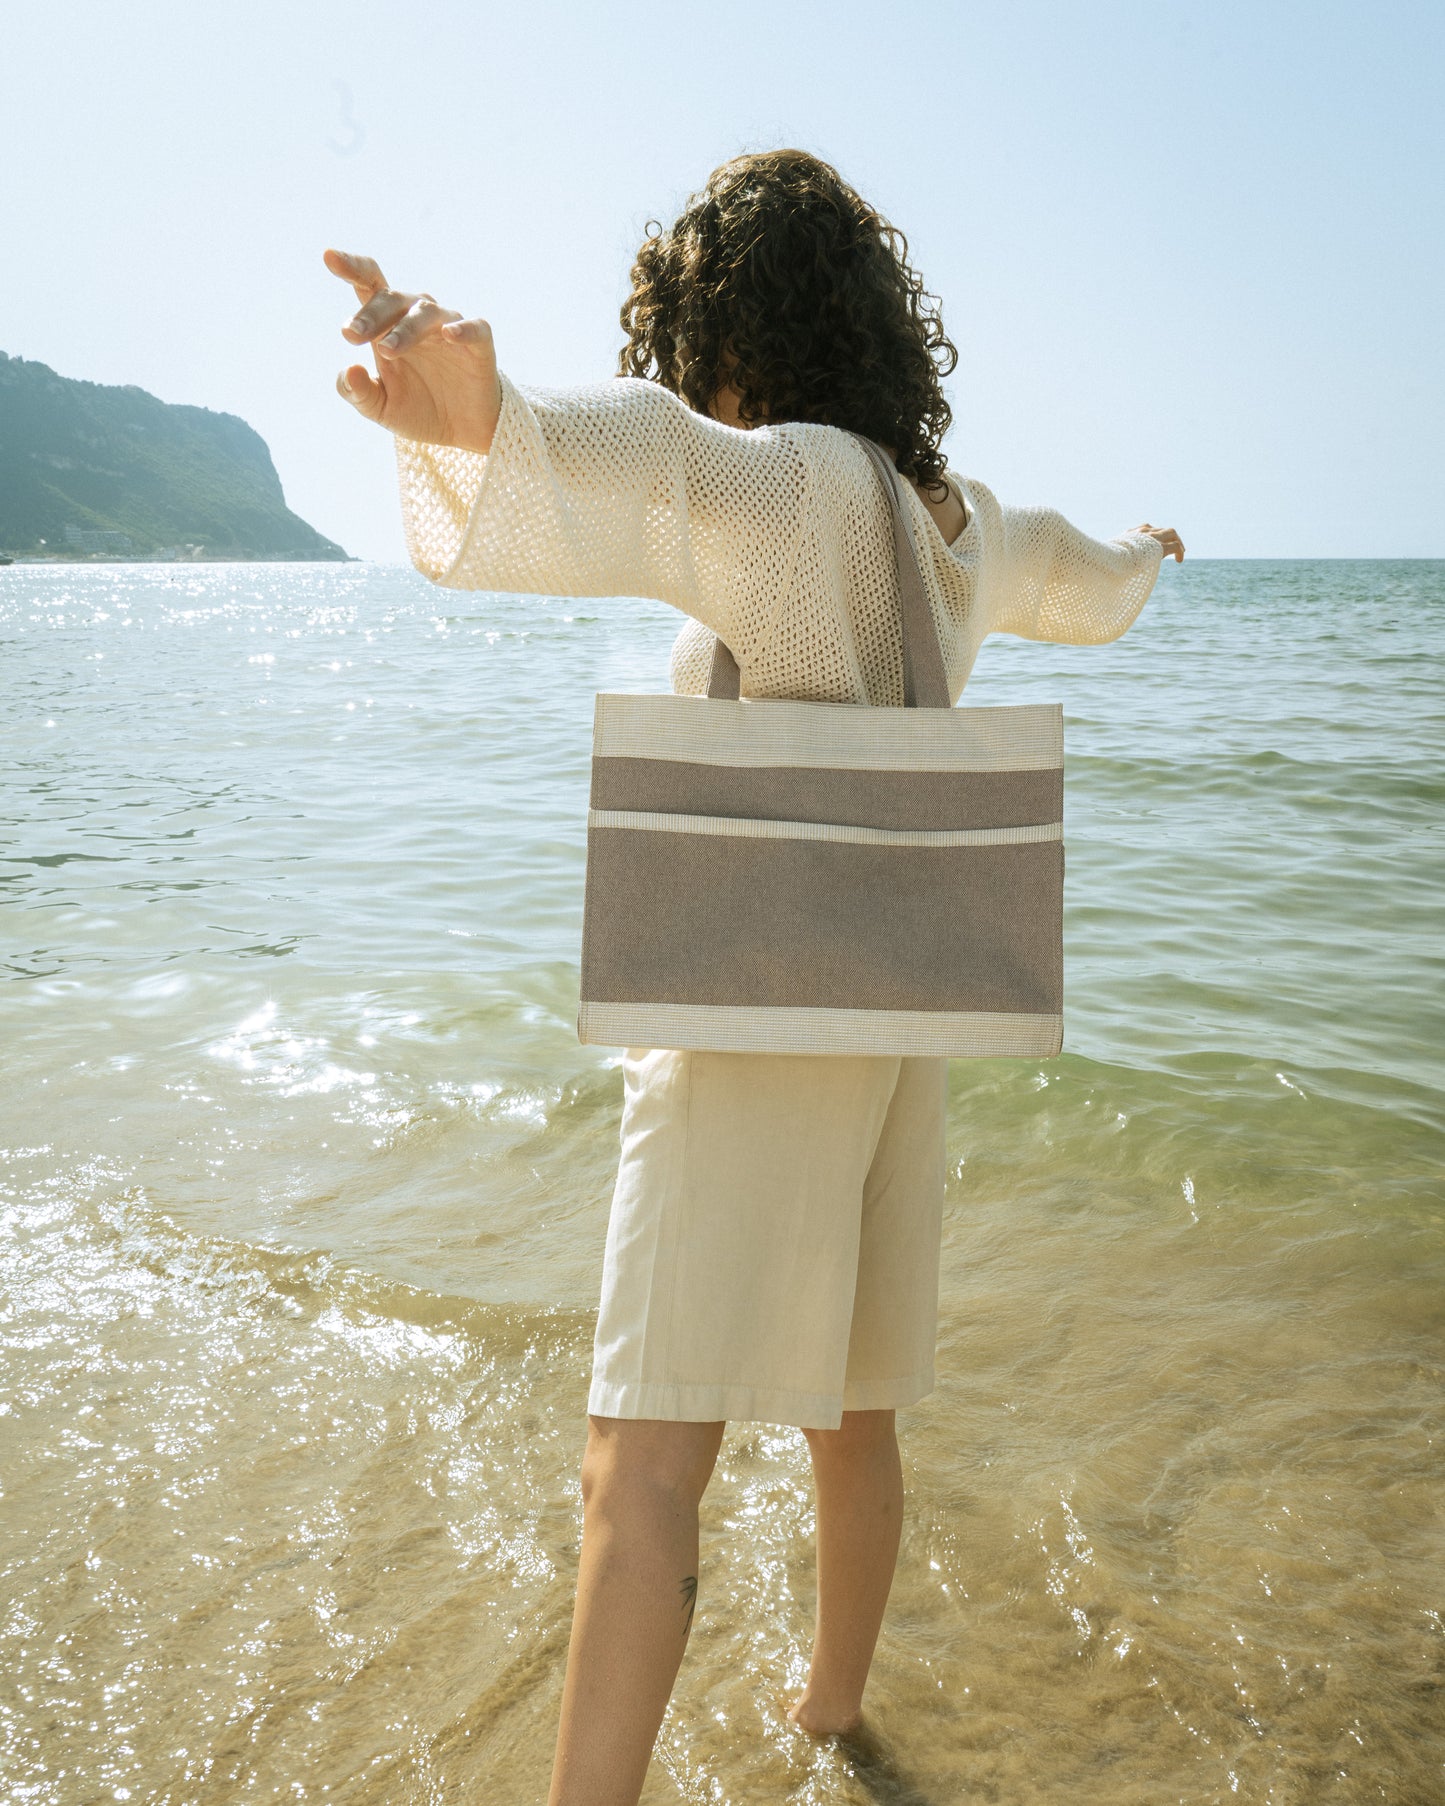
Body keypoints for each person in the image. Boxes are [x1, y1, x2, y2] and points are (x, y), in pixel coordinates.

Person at [326, 146, 1183, 1806]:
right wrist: (1150, 554)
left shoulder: (777, 483)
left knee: (638, 1467)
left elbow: (644, 460)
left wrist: (483, 420)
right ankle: (826, 1725)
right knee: (852, 1418)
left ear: (727, 331)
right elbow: (1087, 576)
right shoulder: (964, 526)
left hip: (749, 1015)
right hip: (895, 1027)